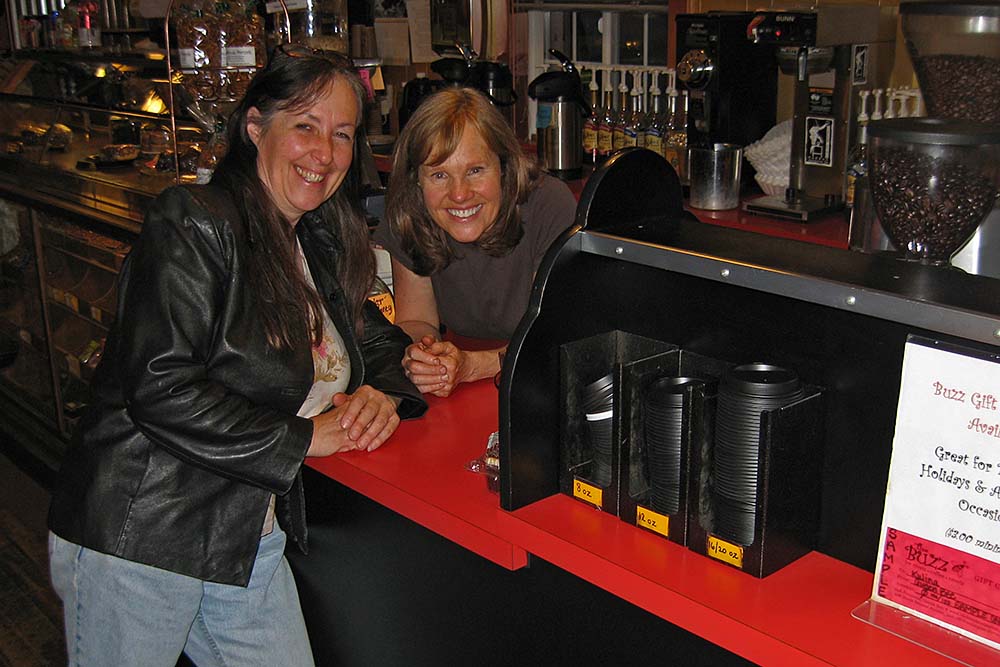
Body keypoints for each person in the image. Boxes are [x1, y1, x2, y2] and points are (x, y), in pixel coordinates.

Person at [46, 46, 426, 667]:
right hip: (145, 534)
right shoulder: (194, 220)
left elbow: (376, 343)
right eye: (305, 126)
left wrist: (381, 395)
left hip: (245, 532)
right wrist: (307, 438)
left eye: (342, 134)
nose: (324, 152)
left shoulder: (315, 239)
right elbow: (160, 386)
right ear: (255, 127)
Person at [375, 87, 577, 397]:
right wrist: (424, 357)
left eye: (475, 170)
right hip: (468, 386)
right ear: (417, 180)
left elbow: (552, 339)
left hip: (545, 383)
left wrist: (472, 366)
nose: (459, 194)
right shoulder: (409, 213)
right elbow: (416, 319)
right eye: (439, 175)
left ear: (504, 168)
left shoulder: (550, 205)